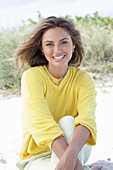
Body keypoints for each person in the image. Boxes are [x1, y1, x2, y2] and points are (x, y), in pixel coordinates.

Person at [15, 16, 97, 170]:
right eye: (49, 44)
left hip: (77, 147)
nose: (57, 50)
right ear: (42, 48)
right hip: (38, 157)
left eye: (64, 42)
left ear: (73, 45)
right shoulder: (33, 77)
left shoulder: (83, 79)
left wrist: (71, 156)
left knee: (67, 122)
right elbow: (41, 122)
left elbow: (87, 121)